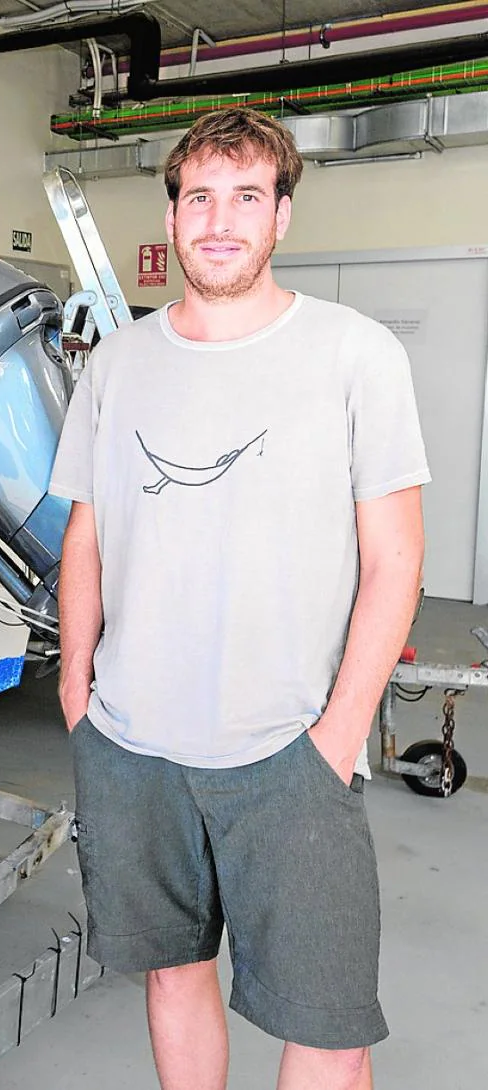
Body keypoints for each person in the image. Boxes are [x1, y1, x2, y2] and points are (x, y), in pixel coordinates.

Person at [50, 107, 428, 1090]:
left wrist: (340, 735)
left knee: (333, 1028)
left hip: (291, 751)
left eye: (247, 197)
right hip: (132, 748)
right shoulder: (117, 362)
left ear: (282, 216)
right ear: (172, 216)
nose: (222, 221)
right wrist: (77, 693)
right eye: (202, 197)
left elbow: (395, 559)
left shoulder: (356, 355)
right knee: (175, 976)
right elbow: (86, 532)